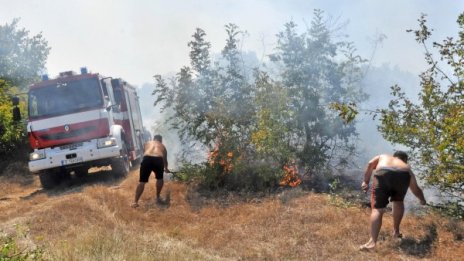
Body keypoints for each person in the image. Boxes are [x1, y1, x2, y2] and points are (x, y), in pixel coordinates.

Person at [359, 151, 427, 250]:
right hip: (402, 175)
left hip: (383, 172)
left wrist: (365, 181)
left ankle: (372, 242)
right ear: (405, 160)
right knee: (398, 201)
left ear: (394, 156)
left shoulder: (383, 156)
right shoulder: (406, 167)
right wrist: (422, 200)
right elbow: (415, 188)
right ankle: (396, 232)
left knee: (377, 209)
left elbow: (370, 163)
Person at [131, 134, 170, 208]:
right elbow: (165, 160)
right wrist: (166, 168)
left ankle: (135, 202)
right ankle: (158, 196)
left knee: (142, 182)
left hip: (147, 159)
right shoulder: (163, 146)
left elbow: (144, 153)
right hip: (158, 159)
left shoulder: (147, 143)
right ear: (160, 140)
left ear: (153, 139)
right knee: (160, 179)